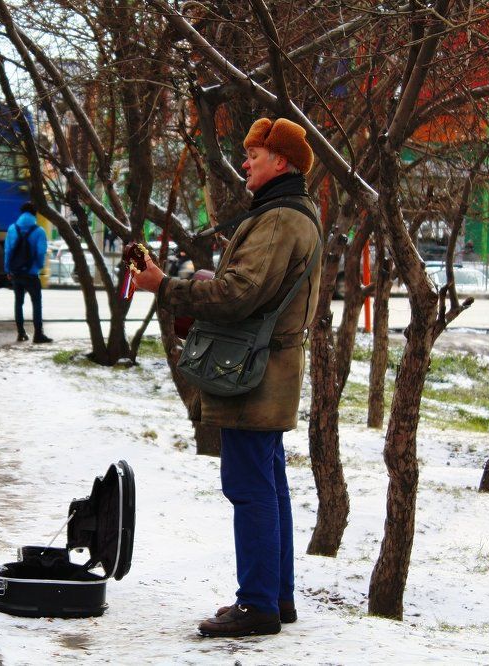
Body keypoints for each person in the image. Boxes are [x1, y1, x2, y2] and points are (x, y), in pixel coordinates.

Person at [132, 117, 321, 638]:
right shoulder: (292, 214)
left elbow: (239, 295)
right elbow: (253, 289)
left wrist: (164, 285)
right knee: (268, 483)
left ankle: (257, 604)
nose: (244, 163)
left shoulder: (279, 219)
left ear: (279, 162)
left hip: (252, 374)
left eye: (253, 155)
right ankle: (275, 598)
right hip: (267, 369)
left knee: (250, 487)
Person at [4, 202, 52, 343]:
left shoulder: (13, 229)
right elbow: (41, 252)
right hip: (31, 275)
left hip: (16, 273)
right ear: (34, 214)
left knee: (18, 303)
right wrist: (37, 267)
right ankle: (38, 334)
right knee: (36, 302)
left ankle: (20, 333)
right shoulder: (39, 231)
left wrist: (8, 269)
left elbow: (8, 251)